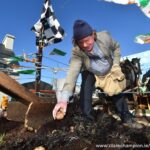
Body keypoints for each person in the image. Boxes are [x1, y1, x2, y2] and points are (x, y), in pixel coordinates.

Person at [52, 19, 142, 128]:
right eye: (81, 42)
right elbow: (72, 74)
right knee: (85, 85)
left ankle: (127, 118)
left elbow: (117, 47)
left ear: (93, 35)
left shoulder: (104, 37)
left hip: (108, 70)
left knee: (116, 91)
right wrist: (63, 100)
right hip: (92, 71)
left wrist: (116, 65)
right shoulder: (77, 51)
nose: (85, 45)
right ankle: (88, 122)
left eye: (87, 40)